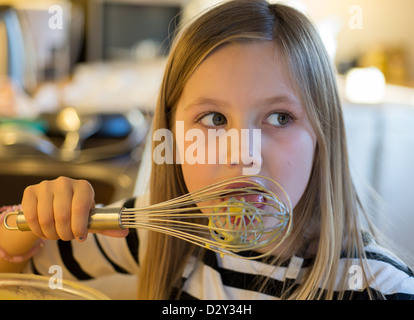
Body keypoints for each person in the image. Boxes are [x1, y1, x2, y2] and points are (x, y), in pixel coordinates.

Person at [1, 0, 413, 300]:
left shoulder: (379, 286)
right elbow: (16, 275)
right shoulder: (151, 235)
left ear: (322, 139)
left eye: (280, 118)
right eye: (214, 119)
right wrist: (30, 220)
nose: (243, 155)